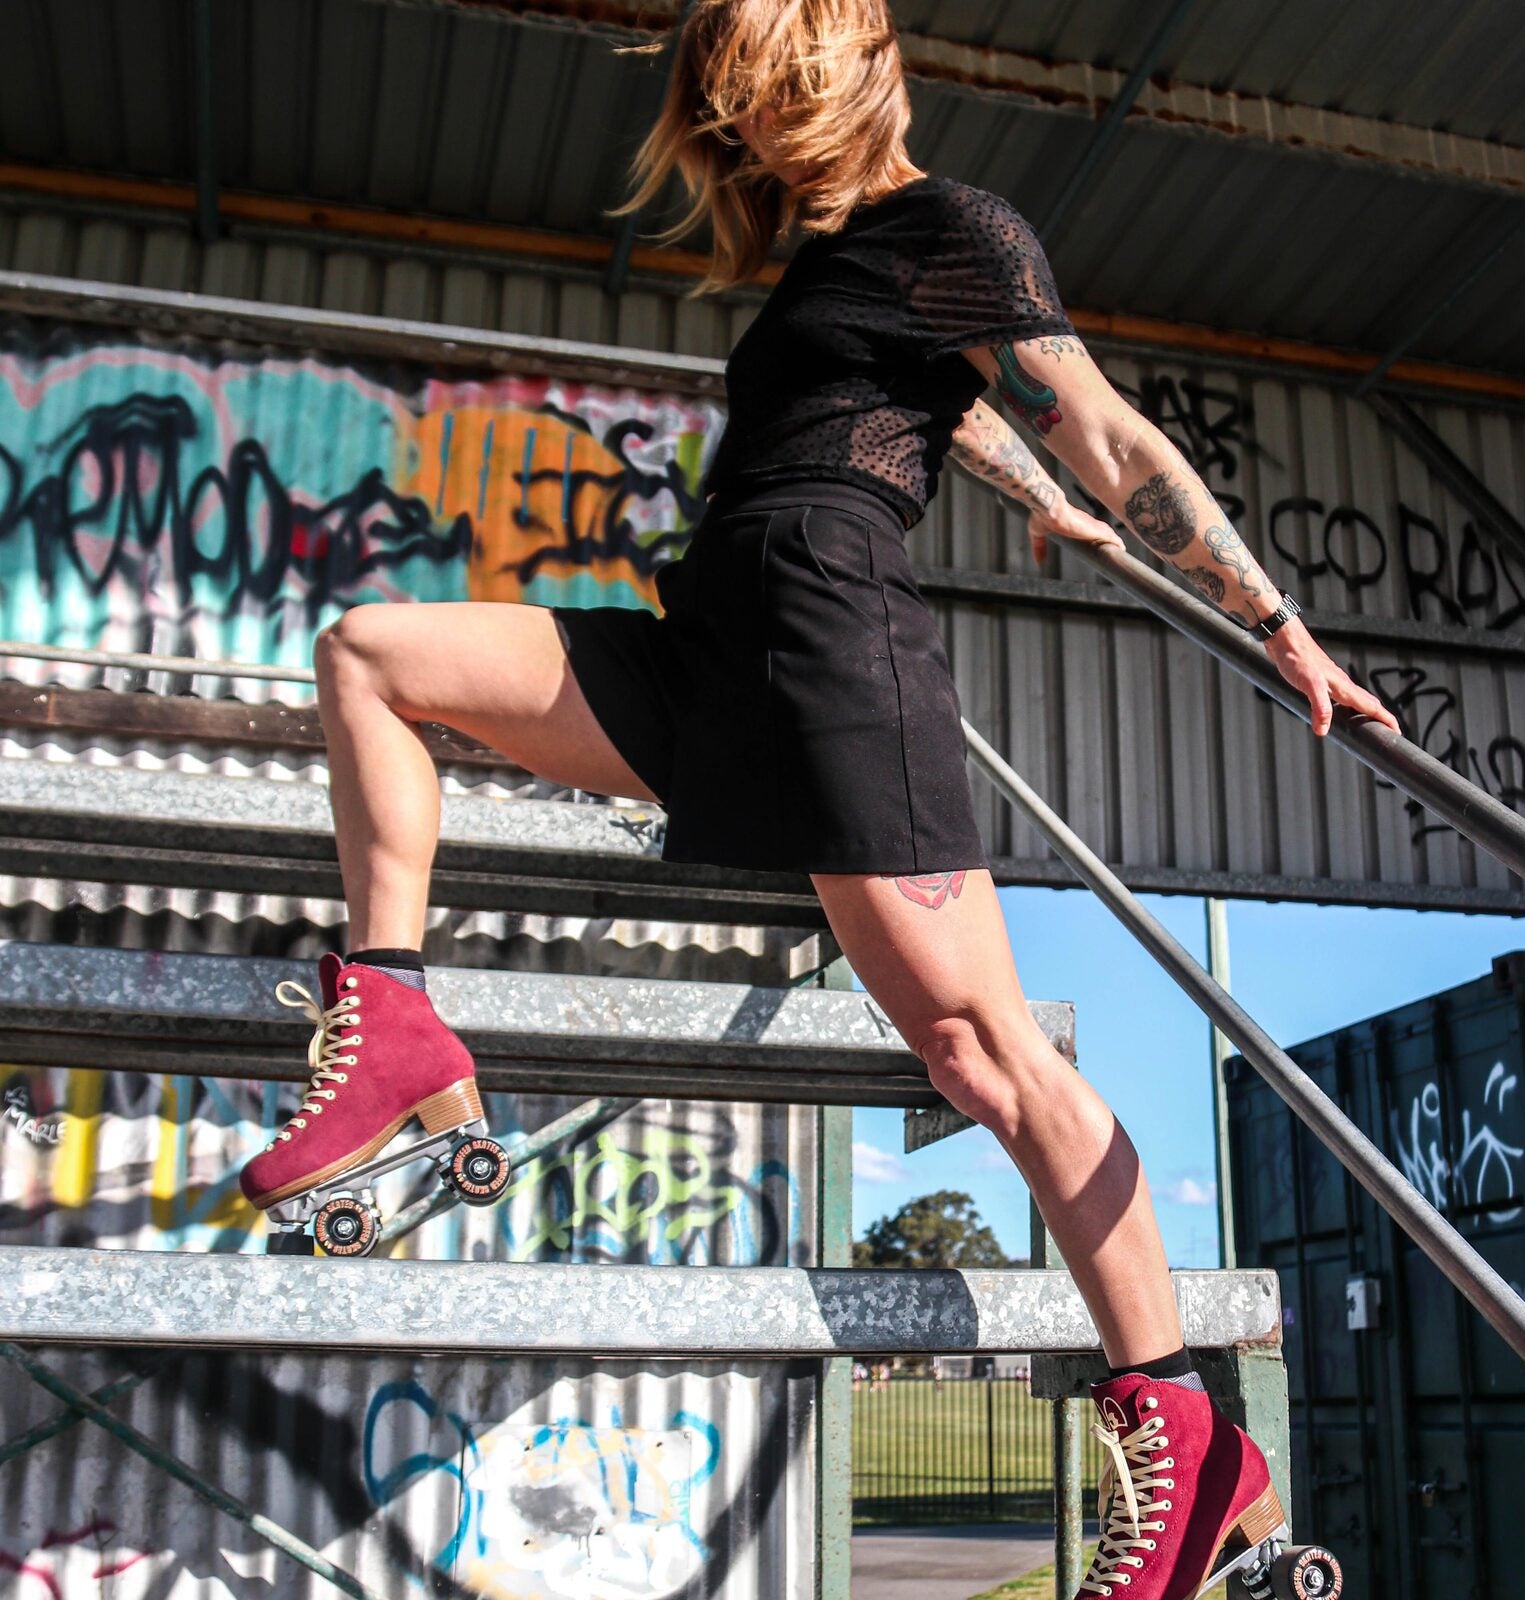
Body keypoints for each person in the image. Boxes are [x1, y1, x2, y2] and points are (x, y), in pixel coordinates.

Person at [237, 1, 1399, 1594]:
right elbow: (954, 406)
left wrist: (1278, 628)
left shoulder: (959, 226)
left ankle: (1183, 1422)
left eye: (761, 95)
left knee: (987, 1059)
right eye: (729, 111)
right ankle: (393, 1016)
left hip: (840, 646)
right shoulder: (846, 269)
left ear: (845, 78)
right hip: (715, 649)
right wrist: (1044, 503)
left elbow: (1111, 425)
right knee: (372, 652)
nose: (750, 138)